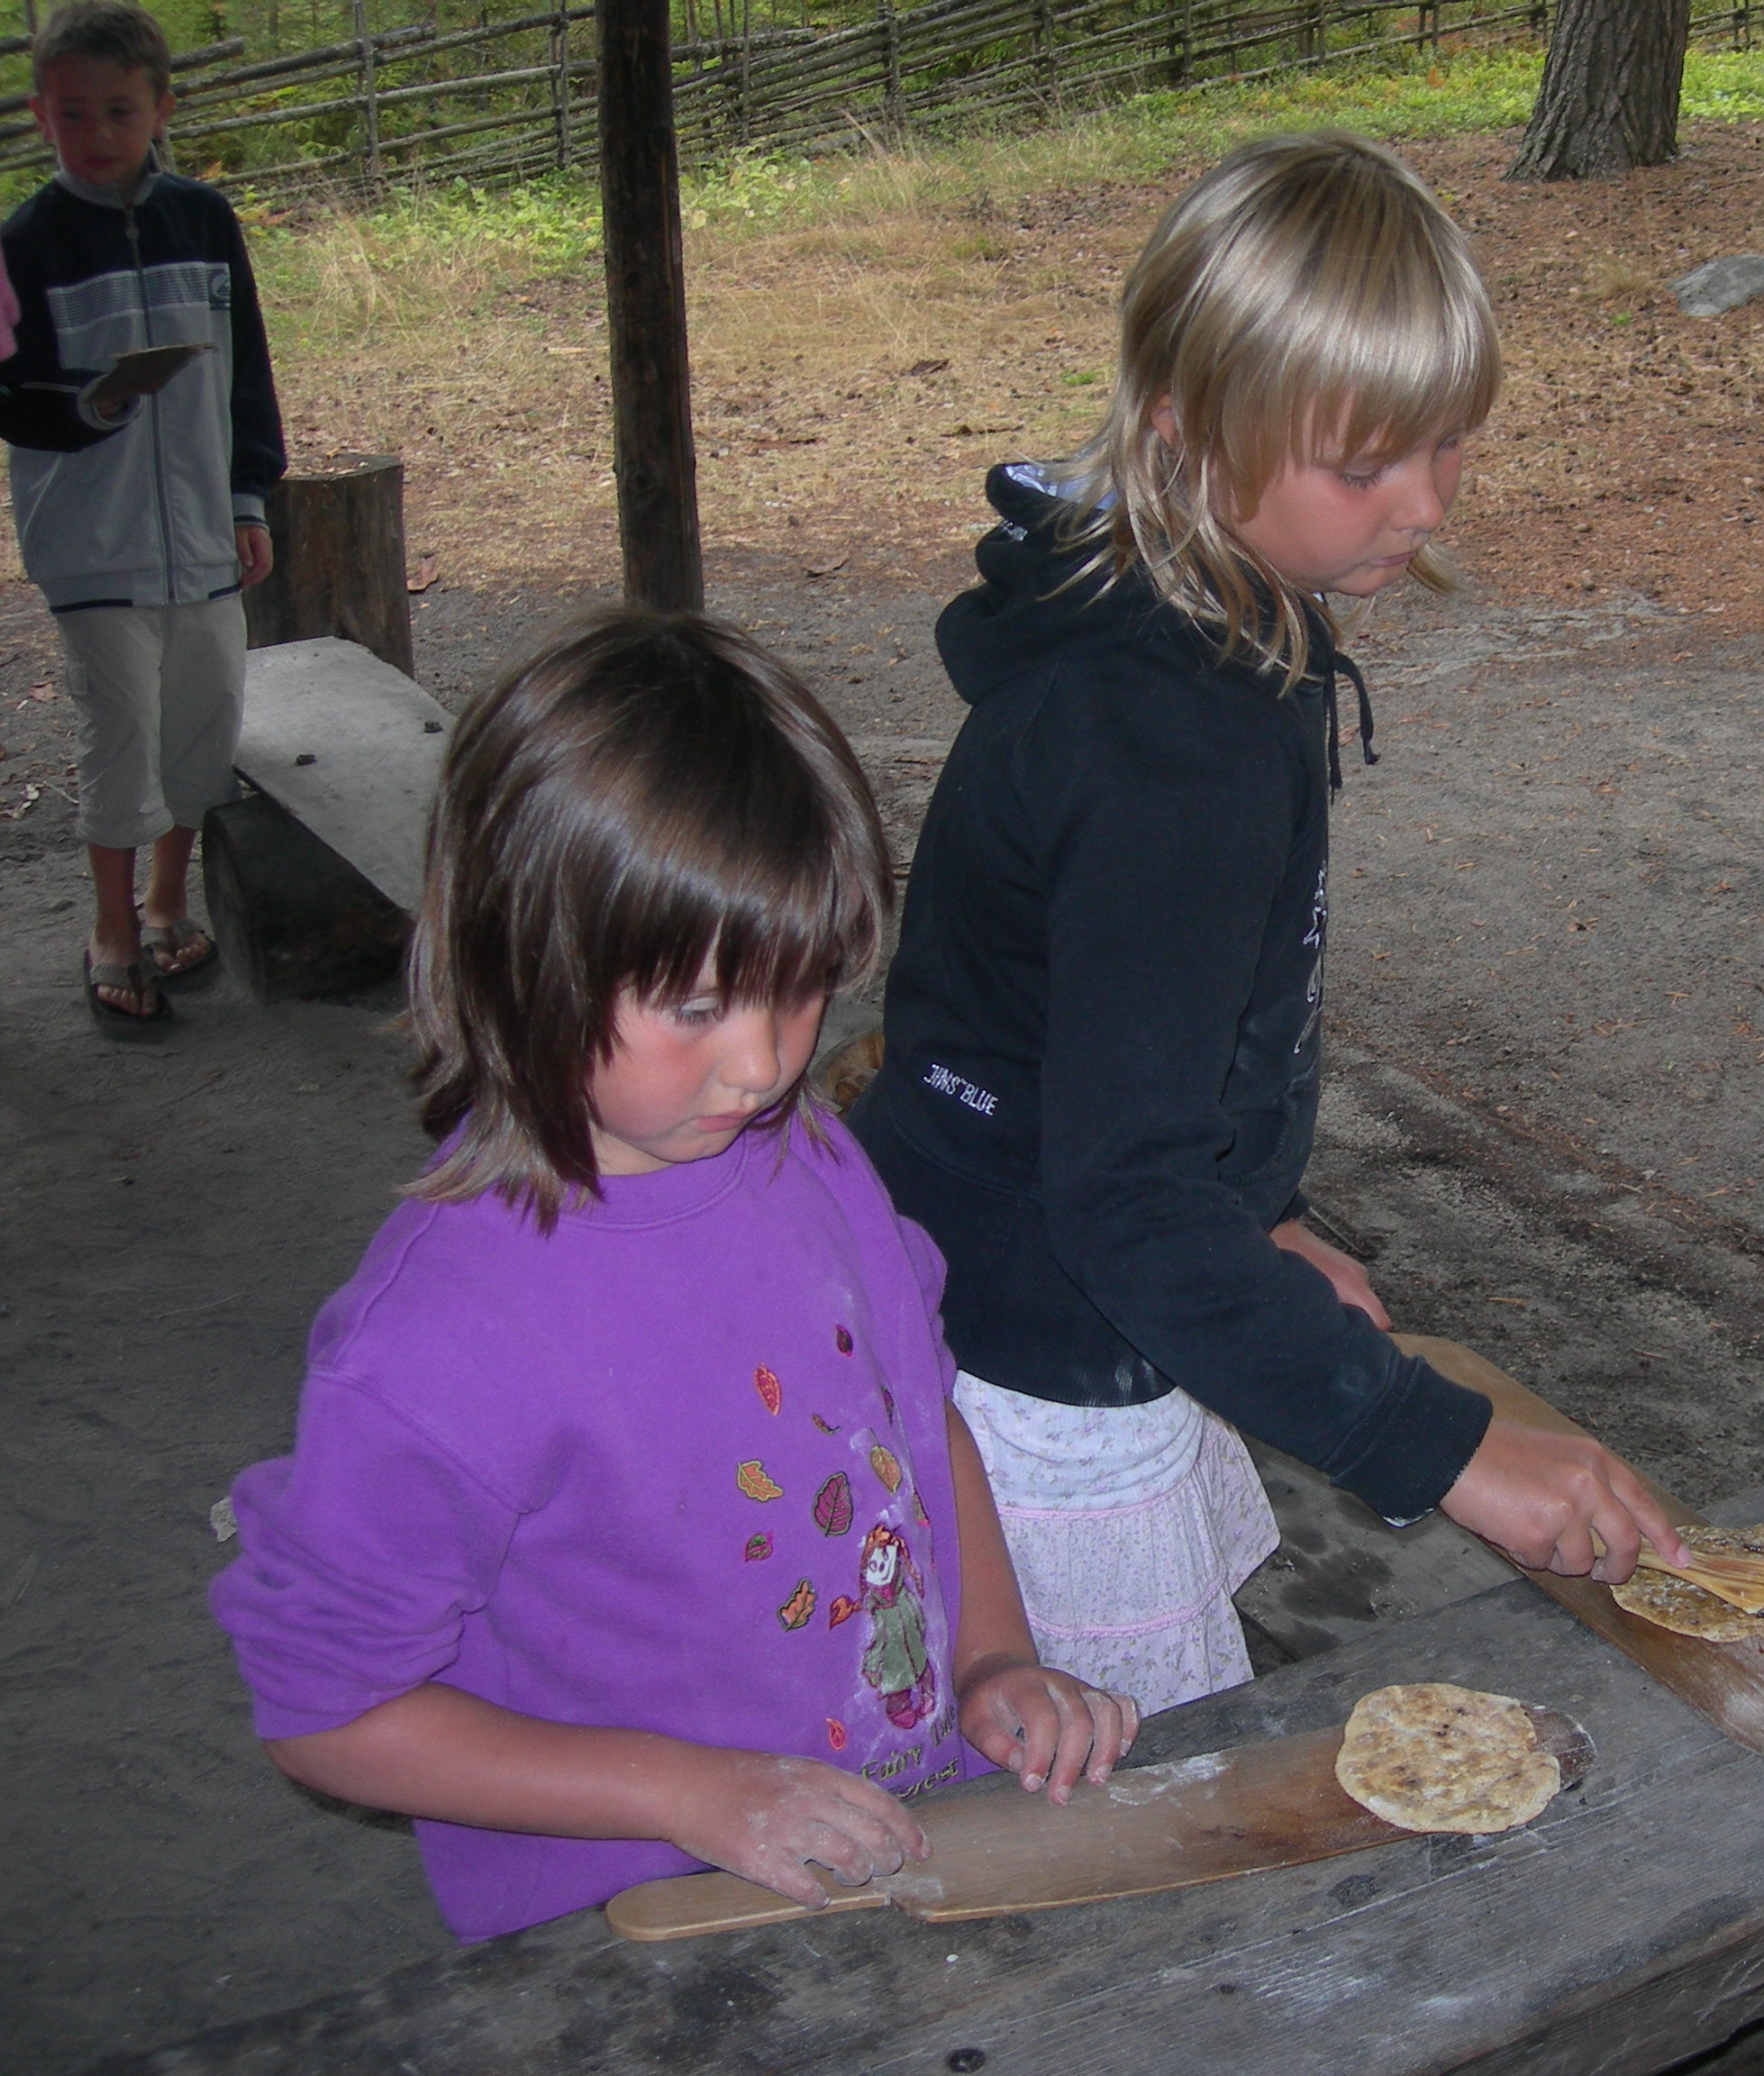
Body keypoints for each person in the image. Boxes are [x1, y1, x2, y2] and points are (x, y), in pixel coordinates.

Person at [849, 132, 1685, 1716]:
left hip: (994, 1244)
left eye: (1448, 445)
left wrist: (1258, 1212)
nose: (1423, 506)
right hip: (1039, 1351)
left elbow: (1104, 1041)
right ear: (1186, 427)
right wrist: (1444, 1445)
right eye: (1364, 466)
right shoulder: (1169, 749)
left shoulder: (1183, 618)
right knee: (1106, 1804)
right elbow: (1123, 1198)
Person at [209, 611, 1136, 1943]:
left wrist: (994, 1654)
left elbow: (913, 1413)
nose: (763, 1064)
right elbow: (330, 1713)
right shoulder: (435, 1344)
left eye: (803, 986)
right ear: (520, 947)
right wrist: (691, 1793)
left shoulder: (805, 1153)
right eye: (698, 1006)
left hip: (894, 1840)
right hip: (640, 1921)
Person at [0, 1, 285, 1032]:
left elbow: (249, 370)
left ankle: (172, 902)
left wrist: (249, 492)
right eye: (75, 114)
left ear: (163, 105)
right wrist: (89, 406)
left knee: (201, 724)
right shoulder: (24, 243)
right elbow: (7, 393)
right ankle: (112, 926)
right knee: (118, 731)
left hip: (205, 532)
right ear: (43, 118)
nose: (100, 133)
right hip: (92, 543)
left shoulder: (203, 222)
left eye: (120, 111)